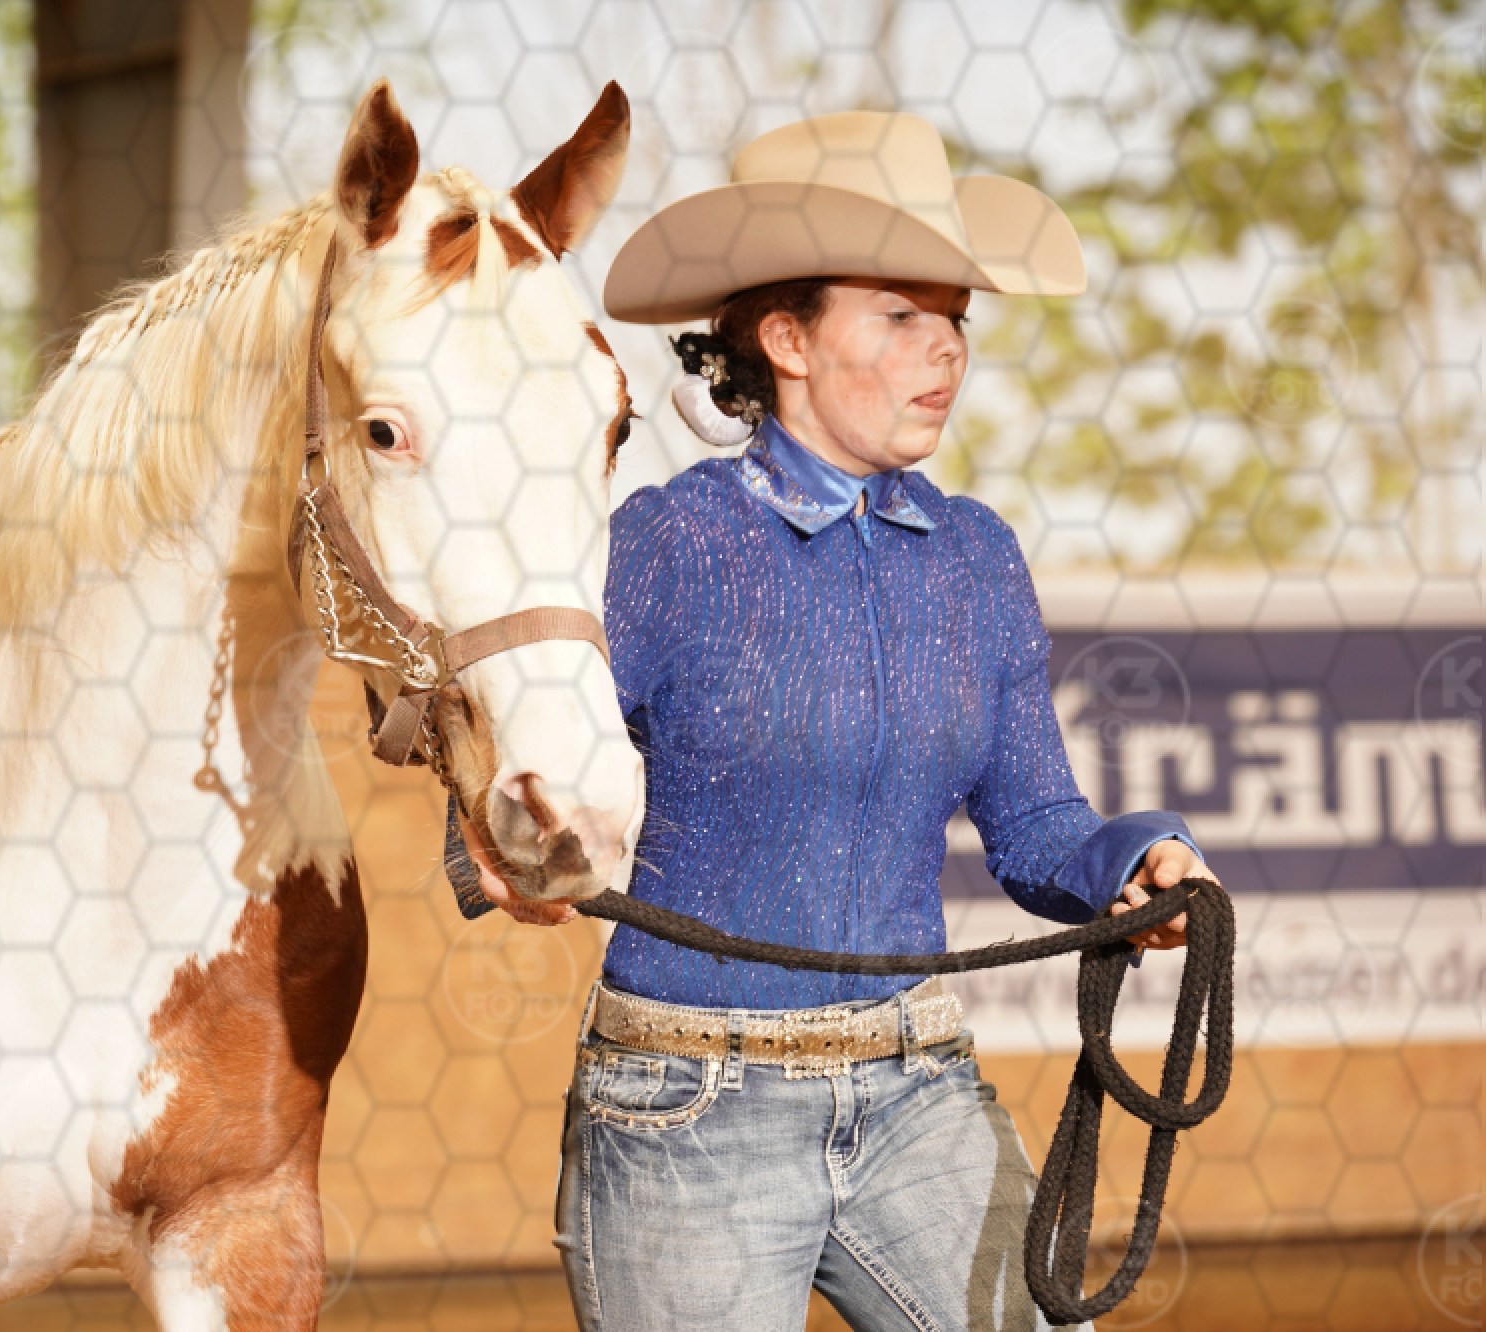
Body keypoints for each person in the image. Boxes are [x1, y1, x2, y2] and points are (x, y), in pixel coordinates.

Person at [457, 111, 1222, 1330]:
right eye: (901, 316)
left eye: (954, 319)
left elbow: (1034, 823)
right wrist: (505, 850)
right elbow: (530, 769)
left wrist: (1132, 864)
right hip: (685, 1109)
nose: (946, 349)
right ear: (785, 340)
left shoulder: (974, 556)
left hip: (918, 1090)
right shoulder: (668, 542)